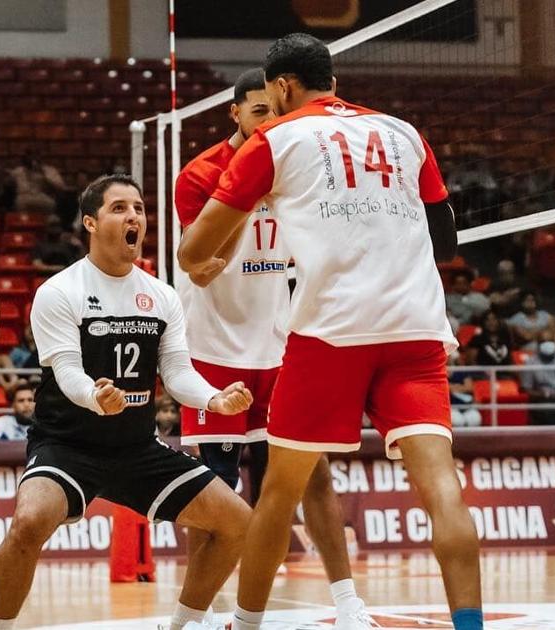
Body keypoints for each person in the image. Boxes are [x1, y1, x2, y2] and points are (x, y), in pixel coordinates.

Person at [178, 34, 482, 630]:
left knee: (279, 493)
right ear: (333, 83)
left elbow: (193, 255)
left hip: (331, 333)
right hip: (416, 330)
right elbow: (445, 242)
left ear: (281, 86)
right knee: (443, 490)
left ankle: (246, 624)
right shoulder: (403, 132)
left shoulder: (273, 139)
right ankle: (469, 626)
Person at [0, 175, 255, 630]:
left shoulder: (161, 295)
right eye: (119, 208)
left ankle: (185, 624)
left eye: (139, 208)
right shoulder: (59, 291)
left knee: (238, 522)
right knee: (29, 522)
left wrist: (215, 399)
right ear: (90, 222)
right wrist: (95, 396)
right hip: (67, 446)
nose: (133, 216)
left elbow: (176, 373)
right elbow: (67, 372)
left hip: (136, 447)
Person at [173, 67, 372, 627]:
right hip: (214, 347)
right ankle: (203, 610)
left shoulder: (297, 161)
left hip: (280, 344)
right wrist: (246, 188)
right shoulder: (199, 174)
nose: (269, 121)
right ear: (234, 112)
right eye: (257, 111)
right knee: (213, 491)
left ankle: (348, 604)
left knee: (314, 474)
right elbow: (203, 267)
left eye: (274, 111)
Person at [9, 149, 68, 214]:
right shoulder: (18, 171)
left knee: (51, 204)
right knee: (20, 203)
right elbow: (9, 182)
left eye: (35, 156)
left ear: (40, 157)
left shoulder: (49, 170)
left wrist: (44, 176)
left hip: (43, 196)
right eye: (30, 155)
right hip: (24, 197)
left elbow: (61, 187)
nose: (32, 158)